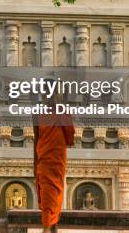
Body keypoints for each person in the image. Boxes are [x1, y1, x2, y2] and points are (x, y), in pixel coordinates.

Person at [33, 91, 74, 233]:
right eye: (45, 94)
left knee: (56, 192)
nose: (47, 97)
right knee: (47, 194)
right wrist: (34, 163)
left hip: (57, 158)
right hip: (44, 158)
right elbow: (36, 138)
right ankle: (47, 228)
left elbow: (69, 136)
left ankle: (53, 226)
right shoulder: (37, 113)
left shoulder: (62, 112)